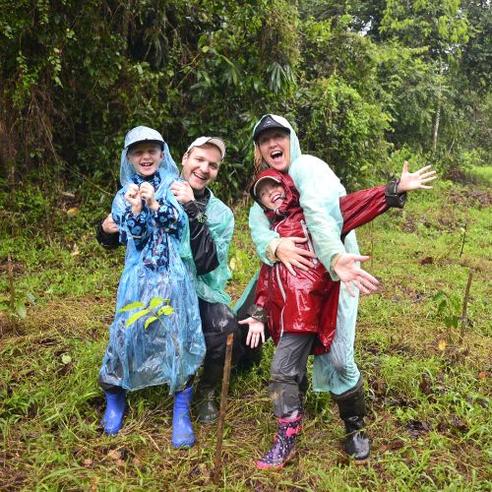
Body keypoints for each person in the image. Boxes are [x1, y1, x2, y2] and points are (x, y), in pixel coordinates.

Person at [242, 114, 436, 466]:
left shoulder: (310, 175)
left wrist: (391, 191)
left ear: (291, 139)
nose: (273, 144)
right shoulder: (264, 201)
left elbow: (335, 211)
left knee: (339, 357)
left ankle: (354, 426)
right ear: (258, 150)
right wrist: (275, 247)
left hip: (337, 280)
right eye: (264, 140)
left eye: (279, 136)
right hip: (292, 297)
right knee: (289, 359)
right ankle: (291, 421)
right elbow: (259, 239)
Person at [97, 135, 259, 425]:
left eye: (213, 165)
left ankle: (205, 391)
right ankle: (120, 388)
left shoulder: (221, 213)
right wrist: (105, 230)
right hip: (157, 282)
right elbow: (130, 232)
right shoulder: (158, 187)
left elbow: (209, 262)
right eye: (199, 160)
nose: (204, 169)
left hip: (199, 288)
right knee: (129, 328)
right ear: (184, 158)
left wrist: (193, 210)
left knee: (224, 327)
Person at [99, 126, 206, 448]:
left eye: (151, 151)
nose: (145, 157)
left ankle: (181, 410)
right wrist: (135, 208)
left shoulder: (176, 188)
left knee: (177, 335)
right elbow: (134, 236)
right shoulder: (122, 195)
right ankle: (115, 397)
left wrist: (156, 205)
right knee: (126, 333)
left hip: (174, 277)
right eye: (138, 152)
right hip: (138, 277)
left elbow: (177, 226)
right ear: (129, 158)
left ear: (162, 154)